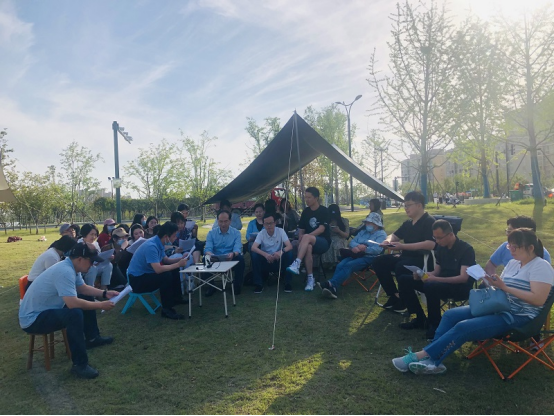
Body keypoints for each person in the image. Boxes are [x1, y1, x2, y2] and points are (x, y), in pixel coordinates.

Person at [392, 228, 554, 375]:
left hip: (517, 317)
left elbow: (538, 300)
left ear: (530, 248)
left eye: (515, 247)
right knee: (450, 314)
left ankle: (422, 357)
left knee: (463, 327)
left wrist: (504, 287)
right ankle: (433, 360)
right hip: (498, 307)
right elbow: (501, 289)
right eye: (509, 246)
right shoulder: (513, 263)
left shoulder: (541, 266)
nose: (511, 250)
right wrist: (488, 280)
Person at [19, 242, 118, 379]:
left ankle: (92, 338)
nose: (93, 265)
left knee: (85, 298)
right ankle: (80, 365)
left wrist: (104, 293)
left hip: (44, 311)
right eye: (91, 261)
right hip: (33, 319)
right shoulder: (65, 271)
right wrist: (101, 305)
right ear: (80, 259)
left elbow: (82, 288)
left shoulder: (71, 267)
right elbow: (72, 303)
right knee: (74, 314)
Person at [397, 220, 476, 340]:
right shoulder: (441, 248)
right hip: (440, 283)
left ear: (451, 234)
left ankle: (435, 325)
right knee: (404, 279)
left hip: (460, 287)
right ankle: (420, 318)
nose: (437, 241)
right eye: (435, 238)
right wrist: (423, 275)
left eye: (439, 238)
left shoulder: (466, 249)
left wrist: (435, 279)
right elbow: (437, 271)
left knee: (431, 286)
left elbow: (463, 278)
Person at [372, 191, 436, 313]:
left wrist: (403, 246)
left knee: (400, 266)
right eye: (404, 205)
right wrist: (387, 241)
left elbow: (431, 244)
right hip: (405, 257)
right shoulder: (408, 223)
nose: (406, 208)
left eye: (408, 205)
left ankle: (405, 302)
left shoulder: (429, 221)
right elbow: (394, 235)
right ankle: (395, 295)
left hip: (422, 260)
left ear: (419, 205)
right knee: (378, 261)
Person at [127, 222, 190, 320]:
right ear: (166, 237)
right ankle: (167, 309)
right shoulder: (151, 246)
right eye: (174, 236)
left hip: (144, 275)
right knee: (166, 275)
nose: (175, 238)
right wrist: (178, 264)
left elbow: (166, 260)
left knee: (173, 269)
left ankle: (177, 298)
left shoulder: (158, 242)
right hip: (136, 281)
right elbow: (158, 269)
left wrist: (180, 259)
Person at [318, 212, 387, 299]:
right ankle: (333, 287)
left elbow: (378, 249)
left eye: (369, 223)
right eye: (366, 222)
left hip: (370, 257)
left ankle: (331, 284)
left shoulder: (381, 234)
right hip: (356, 254)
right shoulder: (363, 232)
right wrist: (357, 247)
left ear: (376, 224)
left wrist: (365, 249)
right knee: (340, 264)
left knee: (349, 265)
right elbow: (352, 242)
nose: (366, 224)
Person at [286, 187, 331, 291]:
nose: (306, 200)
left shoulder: (324, 211)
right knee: (308, 248)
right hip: (308, 243)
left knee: (307, 238)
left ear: (316, 198)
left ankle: (297, 263)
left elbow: (321, 229)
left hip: (323, 242)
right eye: (305, 197)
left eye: (309, 197)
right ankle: (310, 279)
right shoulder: (306, 212)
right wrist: (301, 240)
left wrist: (307, 237)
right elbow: (301, 230)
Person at [485, 216, 551, 277]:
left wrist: (502, 285)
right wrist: (492, 280)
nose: (508, 235)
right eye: (507, 231)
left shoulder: (542, 257)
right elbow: (491, 263)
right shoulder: (506, 247)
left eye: (510, 232)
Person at [251, 212, 294, 294]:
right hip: (266, 260)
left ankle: (288, 282)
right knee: (254, 255)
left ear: (275, 223)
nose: (269, 226)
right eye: (266, 224)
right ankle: (258, 284)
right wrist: (266, 255)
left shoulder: (280, 231)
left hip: (278, 259)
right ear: (263, 224)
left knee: (289, 254)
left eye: (271, 223)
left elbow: (289, 246)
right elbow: (253, 247)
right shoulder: (261, 233)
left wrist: (280, 252)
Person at [205, 210, 245, 295]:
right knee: (205, 259)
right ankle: (211, 286)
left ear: (230, 221)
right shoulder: (211, 233)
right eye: (221, 221)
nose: (223, 224)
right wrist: (211, 255)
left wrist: (233, 254)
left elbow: (237, 248)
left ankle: (237, 285)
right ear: (217, 221)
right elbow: (207, 249)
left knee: (240, 259)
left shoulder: (236, 233)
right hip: (215, 258)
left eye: (226, 221)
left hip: (230, 258)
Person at [78, 224, 114, 290]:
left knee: (109, 265)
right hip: (84, 268)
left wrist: (107, 258)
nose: (94, 237)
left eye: (95, 234)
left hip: (96, 264)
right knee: (92, 268)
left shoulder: (95, 243)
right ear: (85, 234)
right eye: (91, 234)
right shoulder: (79, 244)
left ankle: (104, 288)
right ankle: (90, 289)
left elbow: (99, 256)